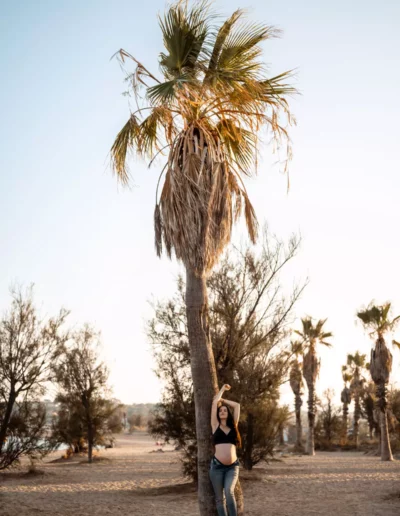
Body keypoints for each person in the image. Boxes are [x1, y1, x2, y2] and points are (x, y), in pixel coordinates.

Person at [210, 384, 241, 516]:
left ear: (228, 414)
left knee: (229, 492)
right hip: (217, 467)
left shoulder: (234, 426)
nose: (222, 411)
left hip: (232, 467)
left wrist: (224, 401)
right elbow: (214, 403)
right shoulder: (215, 425)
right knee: (219, 499)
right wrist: (222, 390)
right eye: (220, 410)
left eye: (225, 410)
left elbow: (237, 406)